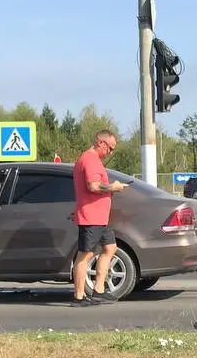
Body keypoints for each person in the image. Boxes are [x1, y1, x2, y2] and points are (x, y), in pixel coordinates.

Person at [71, 130, 129, 307]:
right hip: (91, 217)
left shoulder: (92, 160)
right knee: (85, 255)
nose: (110, 152)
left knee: (110, 248)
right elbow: (94, 186)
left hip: (100, 218)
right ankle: (78, 297)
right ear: (101, 142)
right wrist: (114, 187)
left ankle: (98, 292)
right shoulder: (90, 159)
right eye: (110, 148)